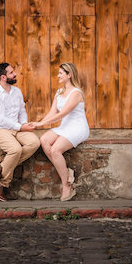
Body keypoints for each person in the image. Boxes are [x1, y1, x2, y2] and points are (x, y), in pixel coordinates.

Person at [31, 62, 89, 202]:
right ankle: (67, 174)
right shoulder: (59, 92)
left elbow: (63, 113)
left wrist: (42, 123)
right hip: (65, 127)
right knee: (44, 141)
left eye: (61, 73)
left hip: (77, 127)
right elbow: (52, 112)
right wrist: (38, 124)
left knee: (56, 149)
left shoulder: (76, 93)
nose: (58, 76)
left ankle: (66, 186)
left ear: (69, 75)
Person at [0, 62, 40, 201]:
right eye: (11, 72)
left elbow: (22, 111)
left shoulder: (17, 92)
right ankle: (2, 183)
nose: (15, 74)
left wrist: (24, 124)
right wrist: (21, 127)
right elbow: (1, 119)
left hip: (16, 128)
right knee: (15, 149)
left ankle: (1, 169)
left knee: (34, 142)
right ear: (3, 77)